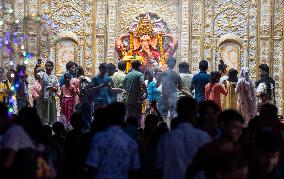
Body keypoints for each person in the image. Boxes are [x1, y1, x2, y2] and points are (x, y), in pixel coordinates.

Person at [156, 97, 211, 179]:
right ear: (195, 113)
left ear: (178, 111)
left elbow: (158, 167)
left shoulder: (165, 139)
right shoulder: (203, 137)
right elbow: (210, 166)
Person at [85, 102, 140, 179]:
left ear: (107, 117)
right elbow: (135, 170)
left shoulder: (99, 138)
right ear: (123, 116)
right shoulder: (130, 141)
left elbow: (91, 167)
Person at [187, 110, 245, 179]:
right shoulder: (208, 149)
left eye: (241, 129)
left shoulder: (240, 149)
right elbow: (190, 172)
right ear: (223, 125)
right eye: (235, 127)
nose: (239, 132)